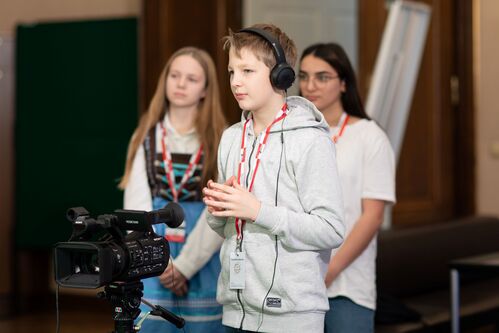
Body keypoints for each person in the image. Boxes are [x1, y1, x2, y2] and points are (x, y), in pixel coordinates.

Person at [202, 24, 345, 333]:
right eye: (231, 72)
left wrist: (258, 211)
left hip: (293, 317)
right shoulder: (230, 138)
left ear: (280, 75)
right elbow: (227, 229)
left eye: (247, 71)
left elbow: (331, 229)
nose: (236, 82)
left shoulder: (310, 140)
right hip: (235, 313)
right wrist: (218, 210)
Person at [119, 46, 227, 333]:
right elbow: (137, 208)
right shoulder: (144, 136)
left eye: (191, 79)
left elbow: (220, 210)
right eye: (175, 75)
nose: (180, 84)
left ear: (206, 89)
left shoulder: (222, 139)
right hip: (153, 251)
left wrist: (185, 266)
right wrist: (164, 263)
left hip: (202, 251)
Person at [298, 42, 396, 333]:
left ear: (343, 83)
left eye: (322, 77)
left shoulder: (369, 136)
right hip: (296, 284)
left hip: (347, 286)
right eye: (303, 76)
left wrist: (331, 270)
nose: (310, 85)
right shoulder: (294, 132)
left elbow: (372, 216)